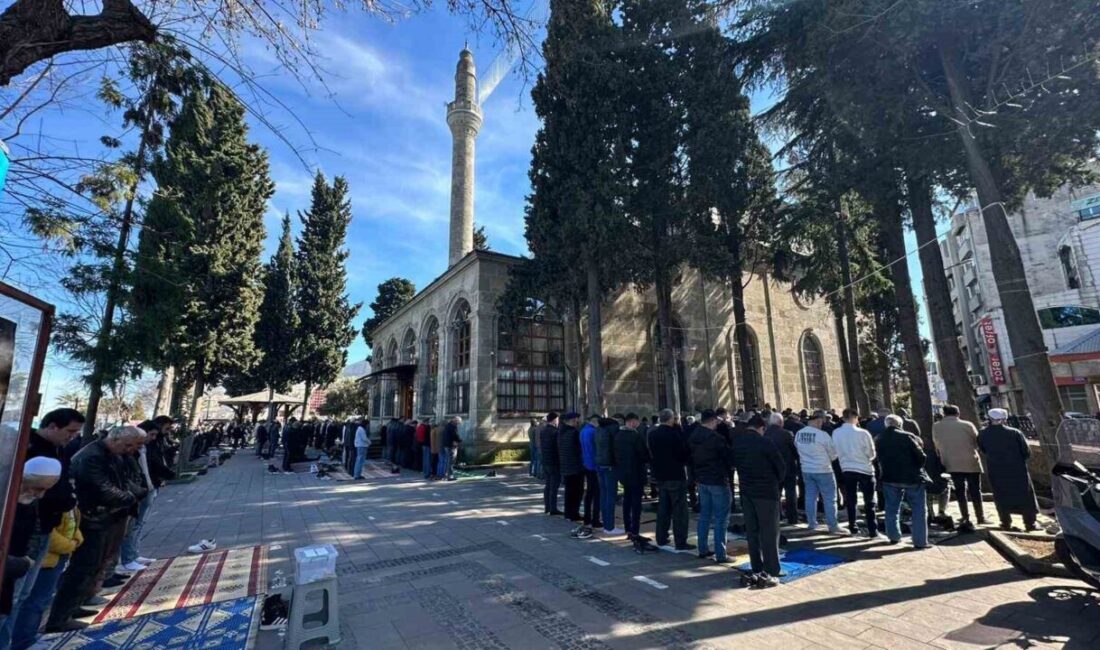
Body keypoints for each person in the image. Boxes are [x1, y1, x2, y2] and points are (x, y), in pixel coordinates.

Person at [45, 426, 147, 633]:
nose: (130, 450)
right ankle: (59, 617)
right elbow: (102, 487)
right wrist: (130, 497)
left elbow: (124, 481)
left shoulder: (113, 454)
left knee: (93, 564)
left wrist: (136, 493)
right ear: (115, 439)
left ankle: (73, 607)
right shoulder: (92, 456)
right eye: (128, 445)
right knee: (82, 566)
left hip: (105, 516)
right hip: (92, 517)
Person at [1, 409, 83, 646]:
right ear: (52, 426)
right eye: (70, 431)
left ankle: (20, 640)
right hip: (20, 536)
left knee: (24, 595)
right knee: (13, 596)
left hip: (40, 529)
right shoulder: (25, 450)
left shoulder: (58, 450)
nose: (72, 436)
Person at [2, 458, 62, 641]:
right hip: (9, 567)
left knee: (9, 610)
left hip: (17, 566)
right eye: (37, 488)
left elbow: (35, 529)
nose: (40, 495)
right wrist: (17, 564)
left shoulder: (28, 498)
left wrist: (30, 557)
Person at [731, 415, 786, 586]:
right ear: (762, 428)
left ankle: (756, 565)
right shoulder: (765, 443)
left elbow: (734, 464)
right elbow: (780, 467)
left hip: (747, 491)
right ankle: (772, 569)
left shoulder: (738, 443)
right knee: (769, 532)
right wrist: (777, 482)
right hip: (766, 492)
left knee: (752, 531)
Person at [119, 420, 175, 572]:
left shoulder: (148, 447)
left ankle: (134, 554)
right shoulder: (133, 450)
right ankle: (127, 558)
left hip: (149, 487)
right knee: (133, 525)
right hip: (140, 490)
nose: (153, 438)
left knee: (140, 523)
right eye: (151, 434)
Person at [979, 408, 1039, 531]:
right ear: (1005, 419)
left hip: (995, 469)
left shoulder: (983, 433)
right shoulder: (1015, 433)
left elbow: (983, 449)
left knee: (1000, 495)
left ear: (989, 419)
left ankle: (1005, 522)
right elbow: (1026, 452)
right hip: (1017, 469)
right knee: (1025, 495)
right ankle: (1030, 523)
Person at [877, 414, 929, 548]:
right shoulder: (907, 436)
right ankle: (920, 541)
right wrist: (917, 468)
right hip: (911, 477)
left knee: (891, 508)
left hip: (889, 477)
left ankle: (893, 536)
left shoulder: (879, 438)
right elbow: (921, 456)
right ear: (899, 424)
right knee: (918, 509)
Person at [933, 404, 986, 532]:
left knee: (960, 490)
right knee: (975, 490)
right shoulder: (967, 425)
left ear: (944, 414)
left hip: (951, 462)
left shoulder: (937, 426)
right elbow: (976, 441)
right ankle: (980, 517)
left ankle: (965, 516)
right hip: (970, 460)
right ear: (958, 413)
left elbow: (937, 443)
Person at [689, 410, 733, 562]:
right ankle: (721, 554)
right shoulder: (716, 438)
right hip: (717, 480)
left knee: (704, 516)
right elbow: (728, 458)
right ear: (714, 420)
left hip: (702, 480)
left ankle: (703, 548)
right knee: (721, 518)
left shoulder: (694, 435)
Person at [648, 409, 693, 550]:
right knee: (680, 510)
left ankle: (661, 537)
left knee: (664, 508)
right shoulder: (674, 434)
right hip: (675, 474)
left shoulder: (653, 434)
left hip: (661, 475)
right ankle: (681, 541)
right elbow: (684, 453)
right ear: (671, 419)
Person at [833, 408, 879, 538]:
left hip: (847, 468)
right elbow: (871, 452)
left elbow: (835, 450)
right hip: (864, 468)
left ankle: (853, 526)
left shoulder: (836, 432)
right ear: (855, 417)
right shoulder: (863, 433)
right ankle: (872, 529)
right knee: (869, 501)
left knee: (851, 500)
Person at [795, 410, 842, 534]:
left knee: (810, 497)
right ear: (818, 421)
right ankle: (833, 525)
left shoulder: (799, 434)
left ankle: (812, 523)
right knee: (830, 498)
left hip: (806, 469)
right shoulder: (822, 435)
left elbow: (797, 448)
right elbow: (833, 454)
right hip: (823, 469)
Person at [613, 413, 649, 540]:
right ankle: (635, 531)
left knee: (627, 501)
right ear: (633, 422)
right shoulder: (635, 436)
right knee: (636, 504)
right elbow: (644, 455)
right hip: (636, 473)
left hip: (623, 473)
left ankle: (628, 528)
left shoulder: (618, 436)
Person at [765, 412, 800, 525]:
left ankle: (778, 515)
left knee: (776, 494)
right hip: (788, 468)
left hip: (772, 469)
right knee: (791, 494)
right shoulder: (786, 434)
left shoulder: (765, 434)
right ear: (781, 422)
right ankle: (792, 517)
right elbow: (794, 451)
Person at [558, 413, 586, 533]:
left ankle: (568, 513)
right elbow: (579, 450)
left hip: (565, 465)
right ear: (573, 420)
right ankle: (574, 513)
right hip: (575, 466)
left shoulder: (560, 432)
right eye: (576, 420)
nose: (578, 422)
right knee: (577, 491)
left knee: (569, 491)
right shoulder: (574, 433)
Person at [594, 416, 621, 535]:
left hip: (600, 464)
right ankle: (610, 526)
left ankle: (606, 524)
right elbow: (616, 448)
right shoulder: (613, 429)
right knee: (610, 496)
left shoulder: (599, 430)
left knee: (604, 495)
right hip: (610, 465)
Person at [579, 415, 602, 537]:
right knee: (596, 493)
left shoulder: (583, 431)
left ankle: (587, 517)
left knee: (589, 493)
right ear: (596, 422)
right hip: (594, 465)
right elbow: (596, 449)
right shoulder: (594, 432)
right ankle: (595, 519)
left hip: (586, 464)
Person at [540, 413, 562, 514]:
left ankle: (547, 507)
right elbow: (557, 448)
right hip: (554, 462)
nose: (558, 421)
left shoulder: (543, 431)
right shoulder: (555, 432)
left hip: (545, 461)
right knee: (554, 486)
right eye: (557, 419)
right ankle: (553, 508)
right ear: (553, 420)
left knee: (548, 485)